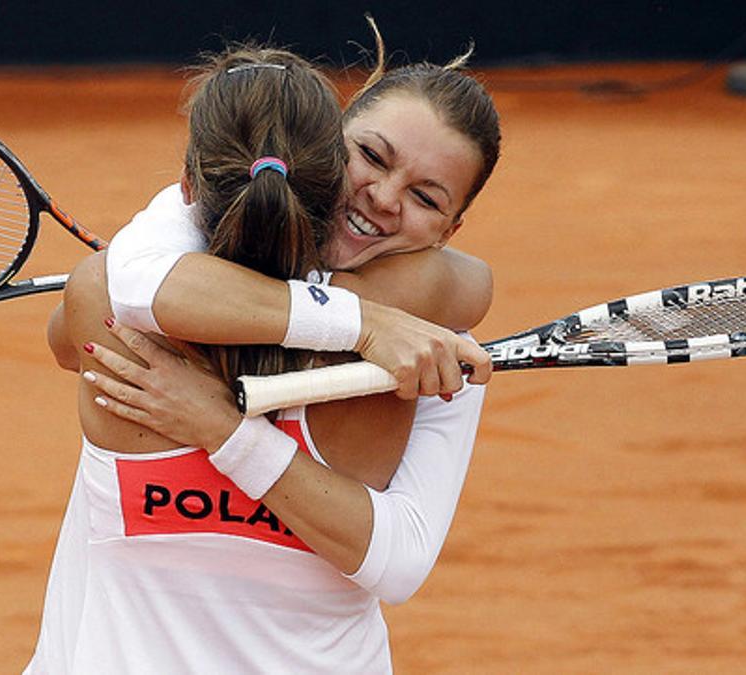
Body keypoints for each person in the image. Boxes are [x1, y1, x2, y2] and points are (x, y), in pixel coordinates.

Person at [30, 25, 501, 673]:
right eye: (372, 155)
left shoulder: (430, 350)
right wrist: (361, 323)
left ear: (450, 229)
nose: (384, 198)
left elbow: (402, 559)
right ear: (326, 144)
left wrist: (221, 428)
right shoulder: (415, 337)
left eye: (425, 197)